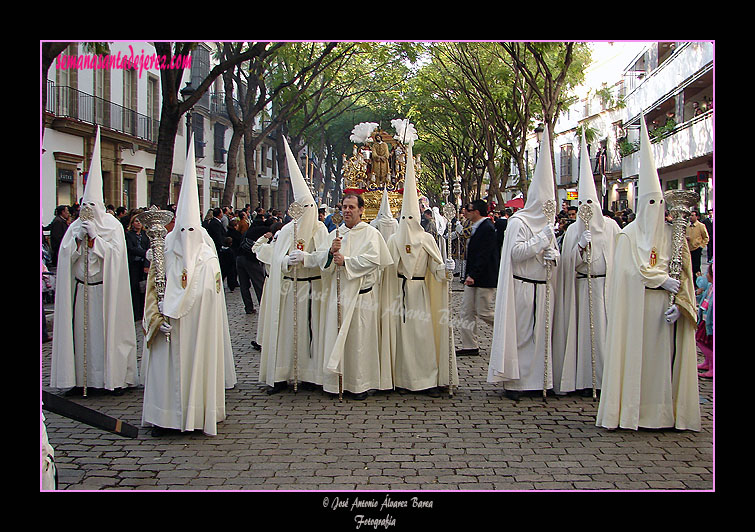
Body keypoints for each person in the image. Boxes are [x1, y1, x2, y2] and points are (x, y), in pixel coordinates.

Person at [596, 119, 700, 431]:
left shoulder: (674, 234)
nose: (656, 209)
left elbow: (684, 272)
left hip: (664, 311)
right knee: (637, 361)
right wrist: (657, 279)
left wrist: (679, 299)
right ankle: (632, 412)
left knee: (662, 365)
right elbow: (627, 273)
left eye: (660, 203)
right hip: (637, 309)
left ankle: (663, 414)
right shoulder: (627, 236)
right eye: (650, 203)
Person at [141, 136, 236, 437]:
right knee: (166, 375)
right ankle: (164, 419)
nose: (187, 235)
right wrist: (159, 316)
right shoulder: (164, 252)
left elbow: (211, 295)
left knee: (196, 369)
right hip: (169, 329)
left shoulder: (208, 257)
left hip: (198, 330)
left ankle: (198, 415)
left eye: (192, 229)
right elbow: (152, 292)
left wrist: (185, 303)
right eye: (183, 229)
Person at [50, 126, 138, 396]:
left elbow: (115, 255)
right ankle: (80, 378)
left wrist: (94, 242)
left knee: (104, 337)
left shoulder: (111, 226)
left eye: (93, 207)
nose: (88, 212)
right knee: (79, 337)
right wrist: (76, 241)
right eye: (84, 206)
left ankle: (108, 378)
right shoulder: (74, 226)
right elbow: (64, 256)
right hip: (80, 291)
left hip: (104, 291)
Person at [254, 137, 332, 394]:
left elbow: (326, 257)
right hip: (289, 290)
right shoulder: (287, 231)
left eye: (311, 206)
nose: (308, 211)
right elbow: (275, 257)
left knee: (313, 334)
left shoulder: (321, 229)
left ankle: (311, 375)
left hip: (314, 290)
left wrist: (309, 259)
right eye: (304, 207)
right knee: (286, 333)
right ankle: (280, 374)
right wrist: (286, 261)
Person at [488, 126, 560, 401]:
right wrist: (542, 240)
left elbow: (553, 254)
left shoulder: (549, 227)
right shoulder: (519, 222)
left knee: (543, 336)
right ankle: (517, 383)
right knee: (522, 335)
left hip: (544, 286)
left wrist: (555, 254)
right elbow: (516, 253)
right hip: (522, 287)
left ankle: (542, 380)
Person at [382, 145, 458, 397]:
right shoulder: (393, 240)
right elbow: (386, 268)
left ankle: (427, 380)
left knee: (422, 337)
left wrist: (445, 270)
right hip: (400, 295)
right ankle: (404, 380)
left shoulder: (426, 239)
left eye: (411, 219)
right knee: (403, 339)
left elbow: (436, 268)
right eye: (404, 219)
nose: (407, 224)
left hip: (421, 294)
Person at [553, 132, 621, 396]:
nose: (587, 210)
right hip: (581, 289)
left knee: (605, 334)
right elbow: (567, 262)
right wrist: (580, 246)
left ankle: (604, 380)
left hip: (606, 288)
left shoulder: (613, 227)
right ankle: (581, 379)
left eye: (591, 204)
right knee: (582, 335)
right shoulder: (571, 232)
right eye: (582, 205)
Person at [316, 193, 394, 399]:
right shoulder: (336, 234)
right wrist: (329, 254)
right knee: (337, 337)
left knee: (359, 342)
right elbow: (322, 264)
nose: (347, 210)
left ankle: (360, 384)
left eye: (352, 207)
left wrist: (347, 261)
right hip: (340, 296)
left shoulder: (370, 233)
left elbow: (374, 260)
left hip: (361, 298)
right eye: (344, 207)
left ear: (361, 210)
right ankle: (336, 383)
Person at [456, 199, 499, 357]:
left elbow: (484, 254)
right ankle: (469, 345)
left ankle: (507, 331)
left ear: (477, 212)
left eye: (469, 209)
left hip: (484, 277)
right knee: (467, 311)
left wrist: (474, 274)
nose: (465, 212)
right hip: (472, 276)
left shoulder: (487, 227)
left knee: (484, 312)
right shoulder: (475, 227)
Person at [236, 216, 269, 315]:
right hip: (250, 260)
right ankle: (263, 306)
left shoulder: (248, 230)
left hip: (239, 258)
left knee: (244, 285)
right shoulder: (262, 230)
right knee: (259, 283)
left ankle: (248, 307)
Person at [125, 213, 150, 321]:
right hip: (134, 264)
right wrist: (144, 253)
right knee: (135, 288)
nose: (138, 223)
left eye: (140, 221)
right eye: (136, 221)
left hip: (143, 264)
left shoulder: (145, 235)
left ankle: (143, 311)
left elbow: (149, 248)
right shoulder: (129, 235)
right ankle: (135, 313)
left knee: (143, 288)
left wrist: (146, 263)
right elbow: (131, 248)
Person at [695, 262, 713, 379]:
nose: (706, 275)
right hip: (705, 320)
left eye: (708, 273)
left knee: (703, 342)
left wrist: (699, 279)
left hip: (709, 323)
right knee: (702, 341)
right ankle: (708, 362)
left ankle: (712, 366)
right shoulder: (710, 287)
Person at [687, 209, 709, 276]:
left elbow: (706, 237)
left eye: (692, 215)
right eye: (690, 215)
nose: (691, 217)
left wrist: (701, 246)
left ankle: (697, 281)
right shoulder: (687, 226)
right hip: (688, 249)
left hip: (696, 248)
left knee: (696, 266)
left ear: (697, 217)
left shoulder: (701, 226)